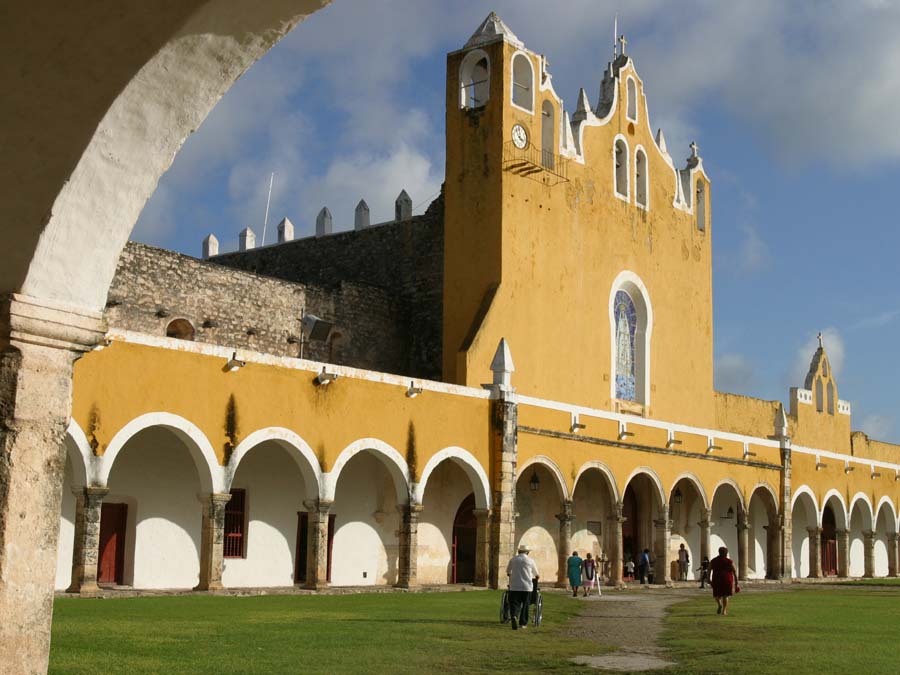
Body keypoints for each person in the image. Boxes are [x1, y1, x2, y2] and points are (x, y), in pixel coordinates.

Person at [506, 544, 540, 630]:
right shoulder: (530, 561)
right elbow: (536, 574)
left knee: (514, 603)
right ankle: (523, 623)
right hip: (526, 586)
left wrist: (511, 575)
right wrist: (536, 577)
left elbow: (508, 571)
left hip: (514, 586)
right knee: (525, 605)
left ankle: (514, 615)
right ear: (527, 552)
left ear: (519, 551)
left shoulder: (513, 559)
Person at [709, 546, 738, 615]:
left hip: (716, 579)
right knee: (725, 595)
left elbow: (709, 569)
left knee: (717, 594)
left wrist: (708, 578)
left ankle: (719, 605)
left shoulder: (714, 561)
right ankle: (724, 610)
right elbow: (734, 571)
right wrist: (736, 581)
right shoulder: (729, 561)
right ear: (726, 553)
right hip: (727, 579)